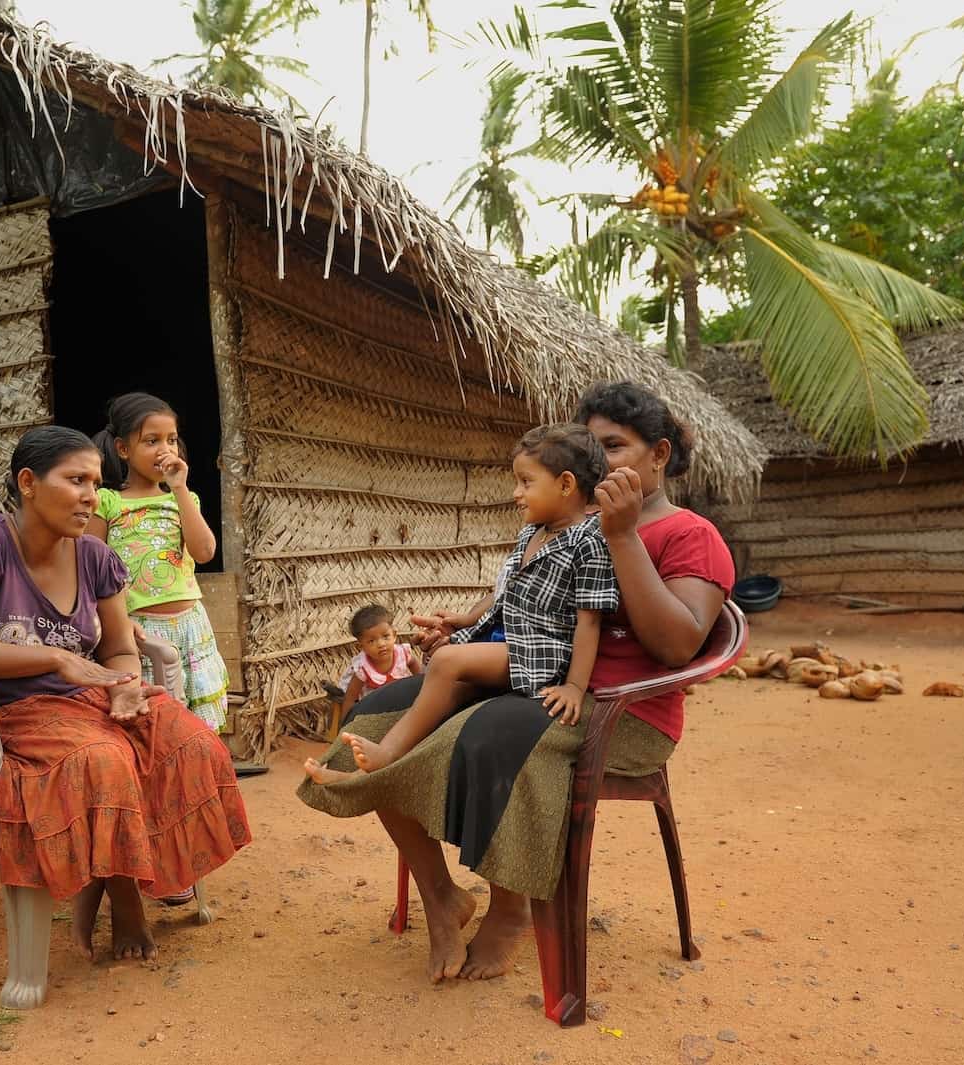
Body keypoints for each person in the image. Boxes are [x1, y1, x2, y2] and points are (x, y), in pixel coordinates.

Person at [298, 381, 734, 985]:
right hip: (532, 678)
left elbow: (678, 643)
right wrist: (471, 619)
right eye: (591, 448)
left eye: (615, 447)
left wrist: (624, 534)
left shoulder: (688, 535)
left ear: (658, 455)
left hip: (619, 714)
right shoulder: (564, 526)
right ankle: (441, 896)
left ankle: (510, 908)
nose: (598, 463)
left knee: (482, 735)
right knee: (376, 719)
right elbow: (530, 589)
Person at [0, 425, 251, 963]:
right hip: (9, 713)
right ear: (28, 482)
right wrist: (54, 657)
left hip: (88, 701)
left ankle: (114, 877)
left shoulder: (95, 556)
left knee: (190, 742)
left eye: (95, 484)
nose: (89, 497)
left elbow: (120, 649)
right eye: (75, 480)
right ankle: (122, 896)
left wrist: (123, 688)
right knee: (105, 758)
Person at [307, 425, 618, 781]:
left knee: (446, 660)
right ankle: (367, 779)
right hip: (505, 643)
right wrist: (470, 618)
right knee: (448, 695)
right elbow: (504, 591)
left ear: (565, 484)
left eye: (526, 482)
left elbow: (589, 622)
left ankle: (388, 752)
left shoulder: (590, 543)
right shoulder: (533, 532)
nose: (516, 493)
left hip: (539, 653)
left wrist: (575, 686)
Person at [89, 393, 231, 733]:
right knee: (154, 722)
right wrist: (118, 625)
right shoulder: (108, 502)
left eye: (171, 440)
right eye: (151, 441)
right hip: (139, 630)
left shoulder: (183, 499)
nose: (164, 449)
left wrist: (179, 488)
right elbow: (90, 568)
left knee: (199, 724)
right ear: (123, 449)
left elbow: (205, 551)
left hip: (192, 626)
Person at [333, 604, 424, 724]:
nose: (381, 644)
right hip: (374, 708)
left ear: (394, 635)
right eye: (371, 641)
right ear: (361, 646)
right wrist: (344, 724)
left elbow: (419, 675)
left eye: (386, 636)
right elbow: (350, 698)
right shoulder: (363, 669)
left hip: (400, 700)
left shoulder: (403, 653)